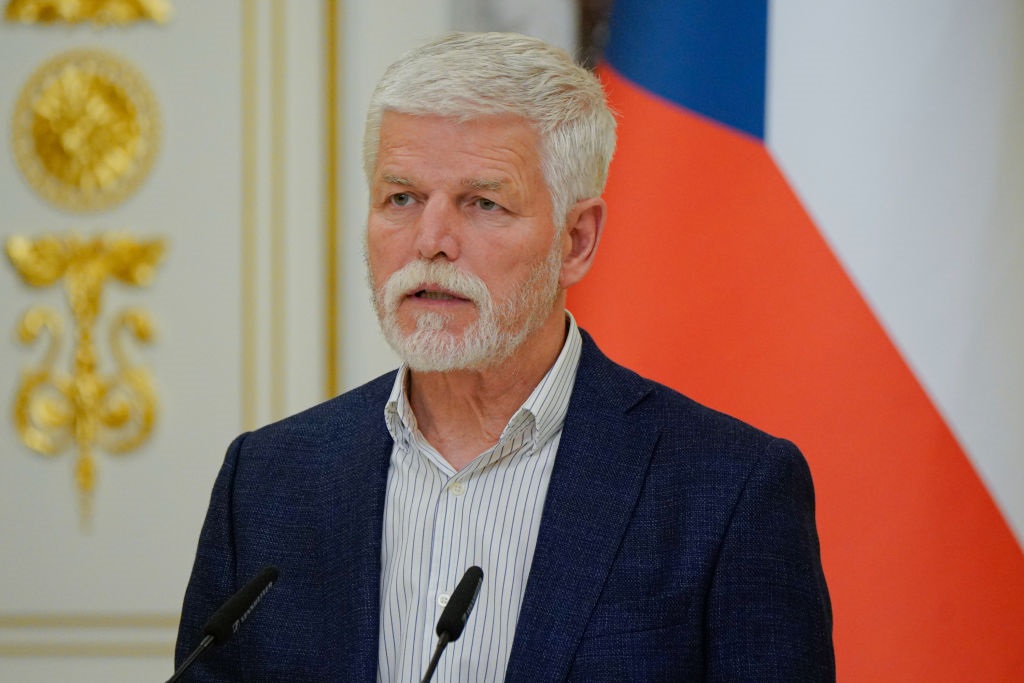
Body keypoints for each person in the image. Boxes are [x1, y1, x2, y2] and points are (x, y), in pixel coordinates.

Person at [175, 31, 834, 682]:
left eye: (482, 203)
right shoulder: (266, 481)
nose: (430, 240)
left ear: (576, 240)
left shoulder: (728, 490)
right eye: (401, 198)